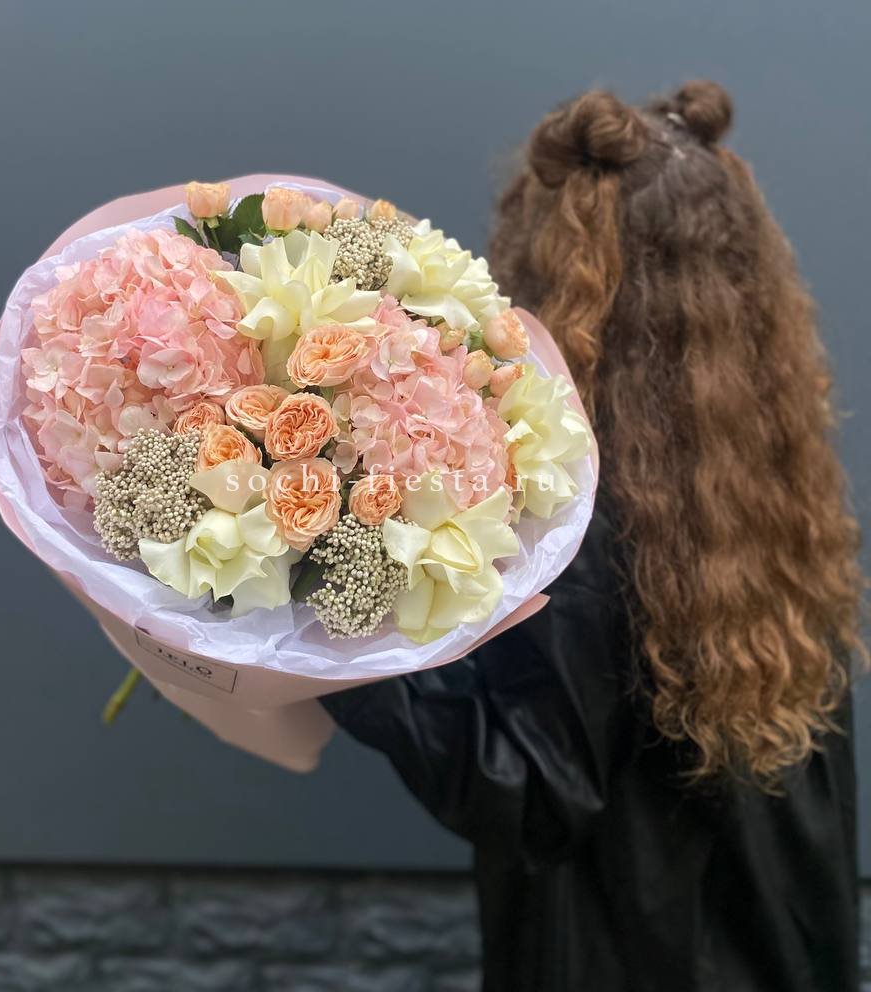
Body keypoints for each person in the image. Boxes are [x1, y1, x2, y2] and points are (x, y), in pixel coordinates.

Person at [322, 81, 864, 991]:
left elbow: (531, 795)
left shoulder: (578, 510)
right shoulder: (778, 480)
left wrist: (343, 640)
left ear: (552, 267)